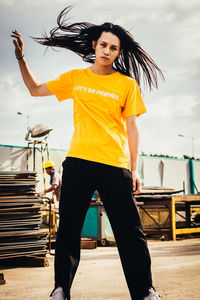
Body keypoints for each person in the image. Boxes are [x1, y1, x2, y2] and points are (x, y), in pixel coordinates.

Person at [11, 6, 164, 300]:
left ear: (119, 53)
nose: (107, 51)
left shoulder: (126, 84)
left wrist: (135, 169)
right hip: (79, 162)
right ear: (94, 45)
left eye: (114, 48)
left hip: (114, 164)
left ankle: (145, 291)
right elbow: (35, 89)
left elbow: (132, 128)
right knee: (69, 229)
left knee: (131, 233)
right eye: (104, 44)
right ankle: (61, 289)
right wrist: (21, 58)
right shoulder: (75, 78)